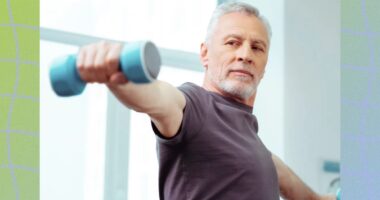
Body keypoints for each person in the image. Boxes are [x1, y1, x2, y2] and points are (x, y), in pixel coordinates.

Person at [76, 1, 335, 199]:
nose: (245, 55)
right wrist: (116, 75)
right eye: (233, 43)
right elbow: (156, 98)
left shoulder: (254, 146)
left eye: (257, 47)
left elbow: (311, 197)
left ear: (265, 64)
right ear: (205, 53)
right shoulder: (193, 106)